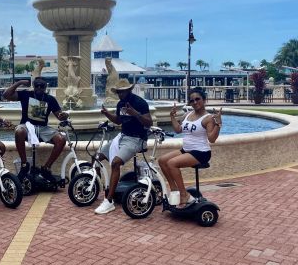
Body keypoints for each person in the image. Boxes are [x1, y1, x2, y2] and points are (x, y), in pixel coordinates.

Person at [95, 78, 153, 215]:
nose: (120, 94)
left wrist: (135, 113)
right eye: (119, 92)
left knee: (115, 163)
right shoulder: (120, 103)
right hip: (122, 136)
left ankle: (109, 201)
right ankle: (98, 188)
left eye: (123, 91)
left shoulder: (139, 103)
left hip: (136, 139)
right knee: (97, 157)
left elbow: (149, 123)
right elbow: (119, 121)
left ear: (129, 90)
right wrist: (106, 113)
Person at [158, 88, 222, 208]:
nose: (195, 102)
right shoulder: (188, 114)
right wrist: (172, 117)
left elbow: (212, 139)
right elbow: (178, 130)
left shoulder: (208, 118)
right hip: (186, 150)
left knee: (172, 163)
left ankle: (184, 194)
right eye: (192, 100)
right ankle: (174, 190)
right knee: (162, 160)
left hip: (201, 152)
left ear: (204, 100)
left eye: (198, 99)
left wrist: (218, 124)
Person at [2, 77, 68, 182]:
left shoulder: (50, 99)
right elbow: (6, 95)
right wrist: (19, 82)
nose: (39, 88)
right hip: (27, 126)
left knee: (61, 139)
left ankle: (46, 168)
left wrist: (64, 116)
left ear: (45, 87)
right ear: (33, 86)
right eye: (37, 85)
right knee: (19, 131)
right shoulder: (26, 95)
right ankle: (24, 164)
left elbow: (59, 116)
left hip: (42, 128)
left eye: (42, 86)